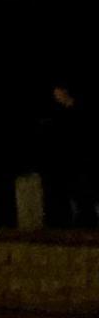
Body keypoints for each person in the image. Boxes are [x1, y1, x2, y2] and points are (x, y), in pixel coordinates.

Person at [43, 83, 92, 228]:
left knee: (83, 194)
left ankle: (86, 221)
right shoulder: (59, 114)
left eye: (57, 94)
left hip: (80, 160)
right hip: (67, 162)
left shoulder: (78, 111)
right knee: (70, 194)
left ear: (64, 92)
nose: (56, 97)